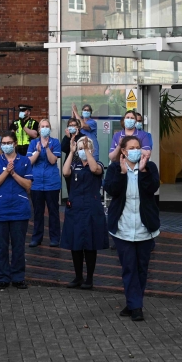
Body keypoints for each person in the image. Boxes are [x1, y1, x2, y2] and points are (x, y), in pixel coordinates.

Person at [104, 135, 160, 322]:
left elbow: (152, 188)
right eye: (132, 147)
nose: (136, 150)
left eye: (139, 147)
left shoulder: (150, 167)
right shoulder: (114, 169)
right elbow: (112, 190)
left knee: (142, 268)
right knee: (129, 268)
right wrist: (121, 173)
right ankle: (136, 307)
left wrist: (143, 171)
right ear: (124, 151)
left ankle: (132, 302)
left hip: (145, 228)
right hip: (123, 228)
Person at [60, 134, 108, 289]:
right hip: (75, 208)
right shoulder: (74, 165)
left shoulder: (98, 163)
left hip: (91, 208)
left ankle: (89, 278)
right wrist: (72, 151)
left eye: (85, 148)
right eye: (81, 148)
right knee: (75, 243)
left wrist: (87, 151)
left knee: (90, 244)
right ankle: (78, 277)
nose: (82, 151)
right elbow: (65, 172)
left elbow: (95, 169)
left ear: (91, 150)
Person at [0, 132, 33, 290]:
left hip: (19, 210)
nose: (6, 145)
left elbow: (28, 186)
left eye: (9, 142)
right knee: (1, 246)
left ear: (14, 143)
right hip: (0, 210)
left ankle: (18, 277)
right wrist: (6, 171)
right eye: (3, 143)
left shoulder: (25, 161)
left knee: (18, 246)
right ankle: (2, 277)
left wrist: (13, 173)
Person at [27, 118, 62, 248]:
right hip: (36, 183)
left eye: (47, 126)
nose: (45, 128)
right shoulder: (33, 143)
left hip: (52, 183)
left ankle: (55, 238)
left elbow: (53, 161)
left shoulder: (55, 142)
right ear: (39, 129)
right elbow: (29, 161)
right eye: (42, 126)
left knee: (53, 211)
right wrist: (37, 151)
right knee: (37, 212)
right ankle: (37, 238)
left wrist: (47, 149)